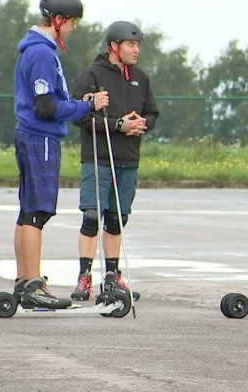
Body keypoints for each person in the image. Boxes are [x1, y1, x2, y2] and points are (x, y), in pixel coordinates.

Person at [12, 0, 108, 309]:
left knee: (27, 211)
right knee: (36, 212)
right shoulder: (41, 53)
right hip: (39, 137)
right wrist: (86, 107)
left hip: (32, 135)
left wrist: (77, 104)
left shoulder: (39, 49)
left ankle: (24, 281)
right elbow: (45, 106)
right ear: (57, 20)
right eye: (71, 21)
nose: (73, 27)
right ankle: (33, 284)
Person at [69, 20, 158, 302]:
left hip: (128, 160)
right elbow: (79, 116)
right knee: (92, 217)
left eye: (137, 45)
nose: (136, 50)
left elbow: (153, 114)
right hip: (98, 159)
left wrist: (143, 123)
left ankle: (112, 277)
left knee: (117, 220)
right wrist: (117, 125)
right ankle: (84, 277)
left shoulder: (141, 78)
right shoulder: (91, 76)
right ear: (114, 46)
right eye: (131, 44)